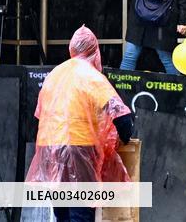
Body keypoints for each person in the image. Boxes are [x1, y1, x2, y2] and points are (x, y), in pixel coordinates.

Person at [26, 26, 135, 222]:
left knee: (61, 210)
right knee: (81, 209)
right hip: (79, 148)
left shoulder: (54, 74)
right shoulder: (91, 76)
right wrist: (126, 137)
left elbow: (37, 117)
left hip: (49, 147)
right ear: (94, 51)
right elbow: (120, 114)